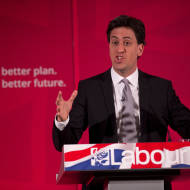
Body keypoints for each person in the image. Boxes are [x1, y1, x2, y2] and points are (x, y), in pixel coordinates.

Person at [53, 14, 190, 151]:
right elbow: (64, 144)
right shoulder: (90, 89)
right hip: (107, 172)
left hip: (151, 170)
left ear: (140, 49)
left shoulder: (160, 89)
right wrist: (63, 120)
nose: (119, 49)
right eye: (115, 42)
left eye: (126, 43)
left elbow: (186, 126)